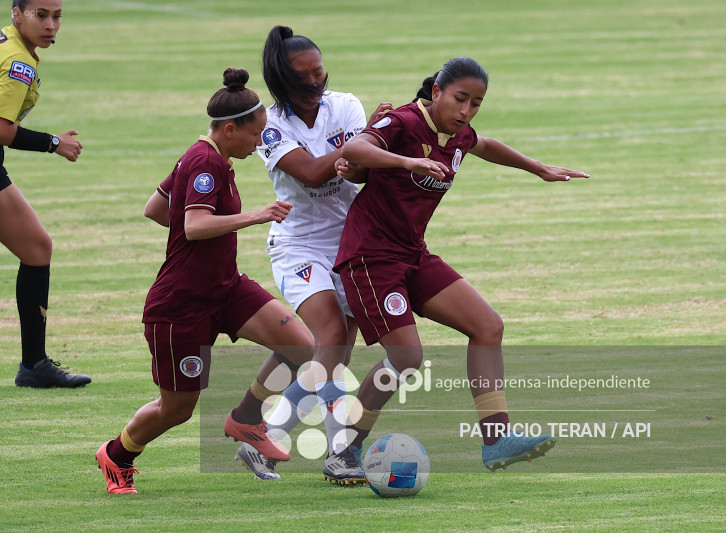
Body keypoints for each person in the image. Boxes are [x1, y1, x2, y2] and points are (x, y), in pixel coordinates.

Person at [333, 57, 590, 472]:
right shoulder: (402, 122)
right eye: (459, 99)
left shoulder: (460, 135)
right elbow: (354, 150)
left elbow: (483, 145)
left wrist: (538, 168)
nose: (466, 111)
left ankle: (497, 441)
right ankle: (344, 450)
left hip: (412, 254)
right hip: (369, 257)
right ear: (436, 92)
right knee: (406, 359)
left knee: (488, 326)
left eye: (476, 103)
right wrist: (408, 162)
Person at [96, 68, 315, 494]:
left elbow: (157, 209)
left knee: (301, 345)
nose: (259, 143)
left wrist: (191, 231)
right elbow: (194, 226)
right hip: (182, 304)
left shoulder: (207, 157)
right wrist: (256, 215)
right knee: (176, 410)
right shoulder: (204, 162)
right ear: (230, 129)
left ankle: (246, 419)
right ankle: (116, 455)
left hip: (226, 287)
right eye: (255, 135)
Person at [230, 25, 392, 484]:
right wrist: (356, 146)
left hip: (351, 241)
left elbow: (359, 171)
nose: (318, 81)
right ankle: (280, 440)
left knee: (335, 356)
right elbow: (312, 175)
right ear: (286, 82)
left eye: (321, 70)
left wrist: (362, 152)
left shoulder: (346, 104)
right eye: (307, 76)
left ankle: (321, 450)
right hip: (298, 244)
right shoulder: (270, 126)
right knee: (331, 336)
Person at [0, 0, 90, 388]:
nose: (51, 25)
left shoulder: (8, 44)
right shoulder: (18, 63)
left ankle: (34, 366)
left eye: (56, 17)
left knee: (37, 249)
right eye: (41, 15)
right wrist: (54, 143)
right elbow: (2, 128)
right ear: (16, 13)